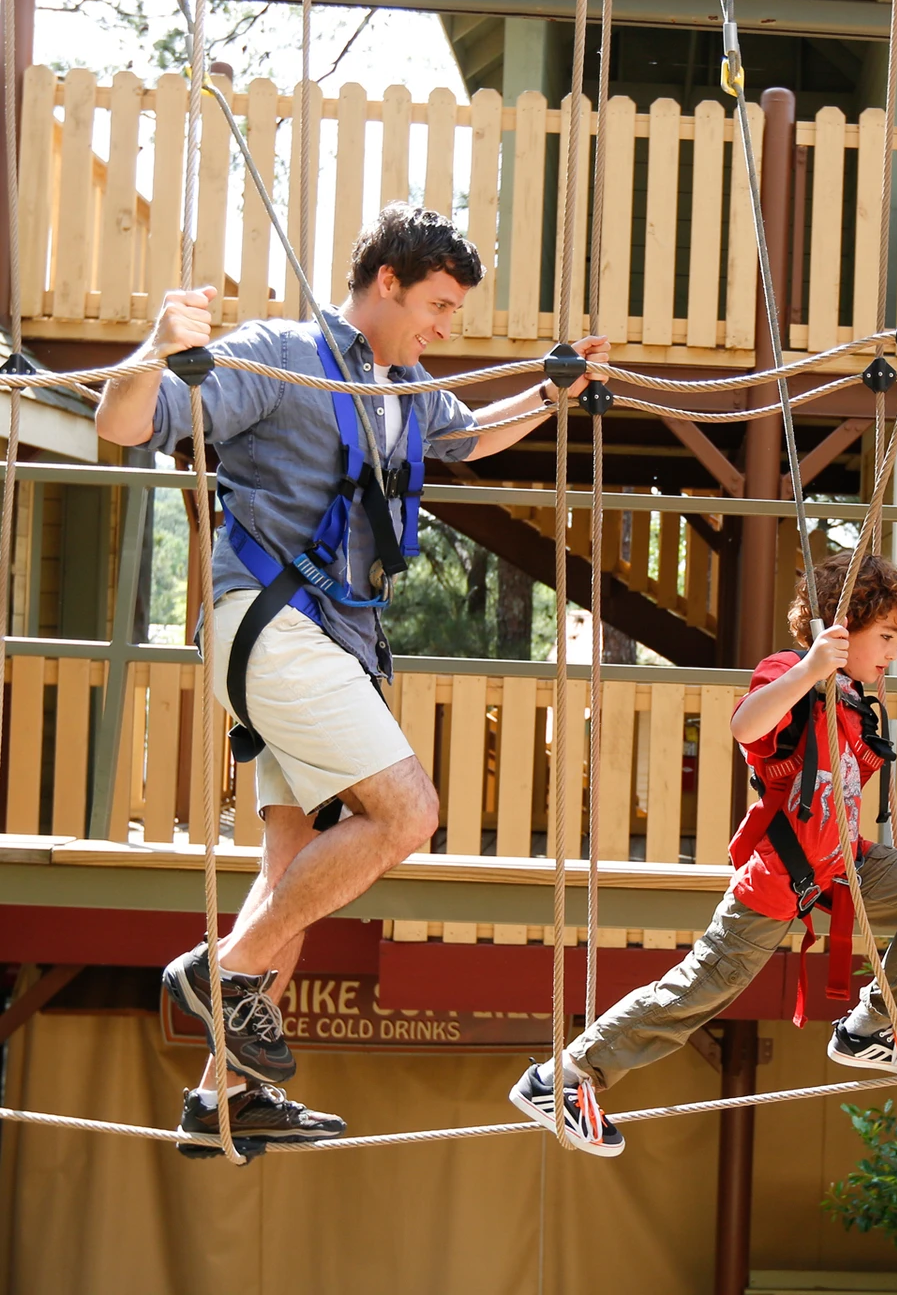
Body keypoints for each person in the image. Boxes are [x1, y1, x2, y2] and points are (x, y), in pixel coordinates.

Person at [95, 203, 609, 1157]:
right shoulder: (277, 358)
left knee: (294, 865)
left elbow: (472, 435)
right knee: (408, 813)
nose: (445, 329)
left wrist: (551, 391)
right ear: (386, 285)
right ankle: (224, 971)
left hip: (333, 642)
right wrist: (157, 346)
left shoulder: (401, 384)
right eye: (438, 305)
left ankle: (225, 1097)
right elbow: (126, 420)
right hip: (272, 623)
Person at [508, 551, 897, 1155]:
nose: (892, 652)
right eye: (885, 636)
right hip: (782, 877)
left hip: (843, 863)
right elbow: (747, 727)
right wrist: (810, 667)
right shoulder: (792, 673)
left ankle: (870, 1027)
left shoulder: (855, 699)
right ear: (841, 627)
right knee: (697, 991)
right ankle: (563, 1078)